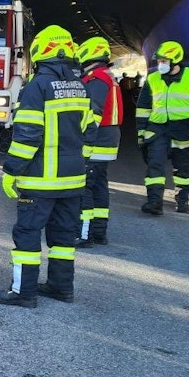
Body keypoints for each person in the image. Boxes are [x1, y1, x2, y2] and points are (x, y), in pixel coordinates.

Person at [0, 25, 94, 308]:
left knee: (27, 235)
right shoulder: (80, 86)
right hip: (73, 181)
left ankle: (24, 293)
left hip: (40, 181)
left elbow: (27, 135)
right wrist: (78, 163)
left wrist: (11, 171)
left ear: (41, 51)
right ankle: (62, 288)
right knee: (62, 237)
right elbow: (90, 130)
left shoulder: (37, 87)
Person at [136, 41, 189, 215]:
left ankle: (182, 199)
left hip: (184, 129)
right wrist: (141, 130)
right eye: (159, 61)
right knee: (154, 164)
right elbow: (143, 107)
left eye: (164, 61)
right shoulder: (153, 78)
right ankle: (154, 202)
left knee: (182, 167)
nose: (160, 64)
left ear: (175, 60)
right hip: (158, 128)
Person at [75, 37, 123, 247]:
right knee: (99, 185)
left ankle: (84, 234)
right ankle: (99, 231)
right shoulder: (107, 76)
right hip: (108, 137)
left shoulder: (97, 78)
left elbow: (93, 112)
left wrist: (85, 141)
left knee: (84, 186)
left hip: (98, 137)